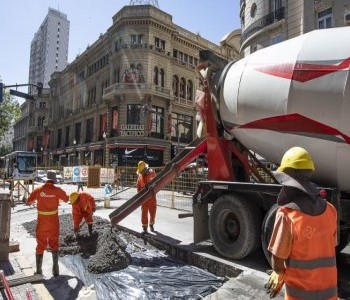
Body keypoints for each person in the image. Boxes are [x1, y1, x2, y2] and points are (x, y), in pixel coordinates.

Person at [265, 147, 338, 299]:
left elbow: (277, 263)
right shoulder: (331, 211)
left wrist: (278, 272)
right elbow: (329, 246)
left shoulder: (287, 216)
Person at [26, 171, 69, 277]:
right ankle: (55, 269)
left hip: (42, 223)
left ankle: (39, 271)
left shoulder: (39, 190)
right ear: (54, 180)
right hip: (53, 223)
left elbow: (28, 202)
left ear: (46, 179)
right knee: (54, 244)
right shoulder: (57, 190)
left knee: (40, 245)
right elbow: (67, 198)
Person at [136, 160, 157, 234]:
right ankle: (144, 227)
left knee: (152, 212)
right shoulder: (140, 175)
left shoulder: (151, 173)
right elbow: (138, 186)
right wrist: (139, 194)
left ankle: (151, 224)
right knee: (144, 212)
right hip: (144, 197)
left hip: (151, 196)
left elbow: (155, 183)